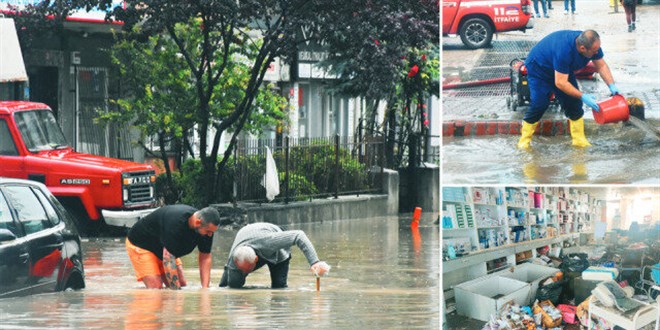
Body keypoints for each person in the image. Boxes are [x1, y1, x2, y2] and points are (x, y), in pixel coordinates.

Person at [517, 30, 619, 149]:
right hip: (540, 68)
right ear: (582, 48)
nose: (597, 52)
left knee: (574, 104)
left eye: (598, 49)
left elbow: (601, 65)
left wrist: (612, 86)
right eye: (594, 51)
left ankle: (579, 140)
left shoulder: (591, 44)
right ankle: (524, 141)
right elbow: (560, 83)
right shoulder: (564, 51)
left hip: (563, 70)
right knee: (540, 104)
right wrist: (582, 96)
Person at [126, 205, 220, 289]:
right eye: (208, 231)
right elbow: (168, 259)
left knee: (182, 284)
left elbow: (205, 257)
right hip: (142, 244)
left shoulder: (207, 229)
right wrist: (176, 296)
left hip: (164, 247)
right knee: (155, 288)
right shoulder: (176, 223)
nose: (210, 235)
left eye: (212, 232)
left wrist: (205, 290)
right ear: (198, 222)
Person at [219, 222, 329, 288]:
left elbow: (298, 235)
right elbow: (229, 287)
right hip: (246, 238)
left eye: (248, 270)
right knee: (233, 285)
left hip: (277, 252)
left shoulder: (269, 241)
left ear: (256, 259)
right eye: (242, 270)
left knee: (279, 288)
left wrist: (314, 262)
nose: (245, 273)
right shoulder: (234, 259)